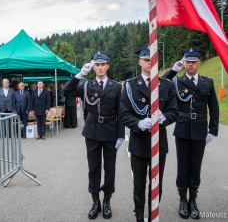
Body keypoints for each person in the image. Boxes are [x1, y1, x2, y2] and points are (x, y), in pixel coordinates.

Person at [63, 51, 125, 219]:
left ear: (107, 66)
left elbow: (121, 112)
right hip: (92, 132)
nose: (99, 67)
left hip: (111, 131)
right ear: (94, 67)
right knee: (93, 168)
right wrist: (80, 74)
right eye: (96, 65)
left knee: (110, 169)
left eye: (102, 64)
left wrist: (121, 135)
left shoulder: (117, 87)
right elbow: (67, 91)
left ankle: (107, 201)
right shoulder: (87, 85)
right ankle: (95, 201)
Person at [119, 45, 178, 222]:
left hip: (159, 142)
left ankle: (154, 214)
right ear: (140, 62)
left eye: (152, 59)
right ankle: (139, 215)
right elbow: (123, 114)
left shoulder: (166, 85)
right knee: (139, 184)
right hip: (138, 141)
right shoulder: (130, 85)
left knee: (156, 183)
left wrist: (164, 119)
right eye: (146, 59)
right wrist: (138, 123)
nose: (149, 62)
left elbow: (174, 112)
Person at [163, 47, 219, 220]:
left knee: (196, 166)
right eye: (188, 61)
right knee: (182, 166)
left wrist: (213, 130)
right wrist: (173, 70)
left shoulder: (207, 82)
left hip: (201, 130)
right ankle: (182, 200)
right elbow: (160, 83)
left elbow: (214, 107)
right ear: (184, 63)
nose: (191, 64)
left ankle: (192, 201)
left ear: (199, 63)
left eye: (194, 61)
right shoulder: (176, 82)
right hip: (182, 129)